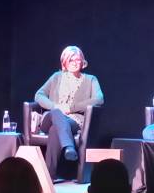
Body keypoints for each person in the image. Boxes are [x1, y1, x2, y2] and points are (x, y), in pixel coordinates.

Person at [35, 45, 104, 179]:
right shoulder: (56, 77)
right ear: (64, 62)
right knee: (56, 113)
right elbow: (39, 95)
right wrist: (55, 106)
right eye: (71, 60)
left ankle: (49, 176)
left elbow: (99, 99)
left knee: (55, 130)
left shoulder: (91, 79)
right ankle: (69, 147)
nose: (74, 63)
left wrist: (72, 108)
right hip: (50, 117)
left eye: (77, 60)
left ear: (82, 62)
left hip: (73, 121)